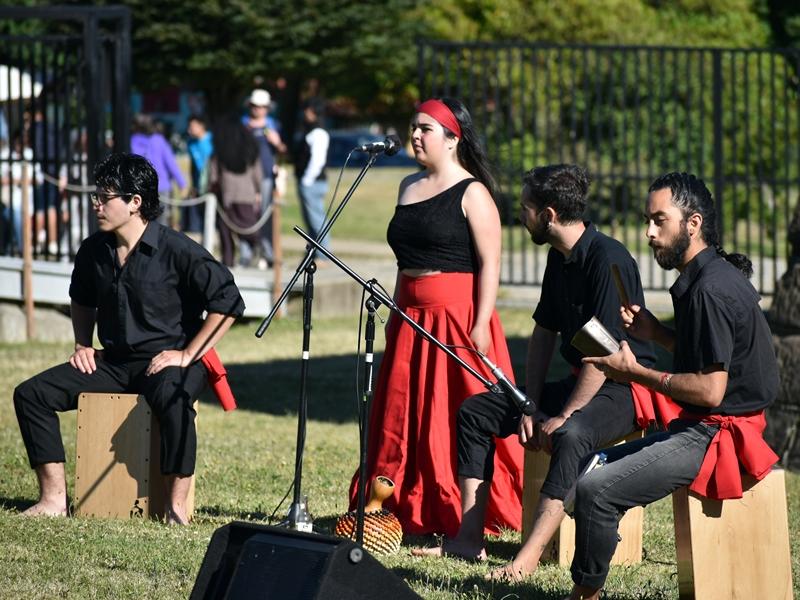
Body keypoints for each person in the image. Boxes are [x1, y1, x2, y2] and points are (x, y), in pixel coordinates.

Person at [417, 164, 657, 568]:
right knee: (476, 412)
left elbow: (605, 355)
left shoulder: (608, 260)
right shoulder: (557, 258)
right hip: (583, 379)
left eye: (526, 208)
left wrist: (563, 415)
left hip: (624, 386)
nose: (520, 216)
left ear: (548, 215)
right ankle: (468, 539)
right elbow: (544, 333)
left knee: (572, 433)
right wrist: (529, 403)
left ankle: (525, 560)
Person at [568, 172, 779, 600]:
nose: (649, 233)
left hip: (718, 433)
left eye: (659, 221)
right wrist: (657, 334)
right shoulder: (712, 275)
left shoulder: (711, 290)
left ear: (693, 223)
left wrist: (636, 372)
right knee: (588, 468)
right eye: (648, 220)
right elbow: (711, 353)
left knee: (594, 490)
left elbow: (711, 391)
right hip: (706, 424)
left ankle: (584, 594)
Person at [13, 152, 244, 524]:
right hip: (115, 363)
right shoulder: (94, 250)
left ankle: (176, 509)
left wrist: (186, 355)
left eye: (105, 197)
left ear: (135, 202)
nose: (96, 204)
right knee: (32, 394)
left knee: (175, 396)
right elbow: (81, 298)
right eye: (96, 196)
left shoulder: (177, 249)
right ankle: (53, 499)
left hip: (167, 360)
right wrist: (83, 344)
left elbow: (229, 302)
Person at [349, 97, 523, 539]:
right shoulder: (407, 185)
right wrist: (395, 306)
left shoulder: (473, 193)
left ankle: (468, 509)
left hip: (457, 318)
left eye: (425, 128)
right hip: (409, 315)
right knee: (403, 413)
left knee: (456, 413)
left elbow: (491, 263)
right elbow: (405, 258)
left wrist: (481, 322)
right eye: (413, 126)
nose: (415, 135)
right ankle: (397, 500)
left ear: (452, 138)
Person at [209, 117, 264, 268]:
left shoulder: (219, 152)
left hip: (226, 196)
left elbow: (213, 176)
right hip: (247, 195)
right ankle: (260, 247)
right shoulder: (250, 150)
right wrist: (258, 191)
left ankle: (228, 260)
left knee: (225, 232)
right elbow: (257, 174)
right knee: (247, 226)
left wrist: (211, 189)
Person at [243, 89, 285, 268]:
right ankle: (247, 254)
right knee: (247, 216)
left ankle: (268, 253)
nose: (258, 110)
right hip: (245, 178)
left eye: (261, 107)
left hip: (267, 176)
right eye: (255, 106)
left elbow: (283, 151)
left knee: (266, 216)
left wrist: (277, 142)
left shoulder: (273, 125)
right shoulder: (244, 125)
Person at [130, 113, 187, 223]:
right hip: (162, 187)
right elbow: (171, 164)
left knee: (141, 222)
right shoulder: (159, 140)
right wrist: (182, 184)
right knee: (161, 223)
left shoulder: (132, 141)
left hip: (140, 188)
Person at [293, 97, 331, 252]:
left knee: (317, 220)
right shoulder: (311, 131)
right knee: (311, 220)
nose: (305, 113)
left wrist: (307, 180)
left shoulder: (318, 133)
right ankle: (313, 253)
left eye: (307, 109)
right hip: (310, 181)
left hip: (313, 183)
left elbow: (317, 160)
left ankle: (323, 254)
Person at [184, 114, 213, 235]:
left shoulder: (212, 140)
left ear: (201, 126)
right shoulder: (190, 143)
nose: (189, 130)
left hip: (212, 182)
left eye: (192, 126)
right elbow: (193, 166)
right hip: (199, 183)